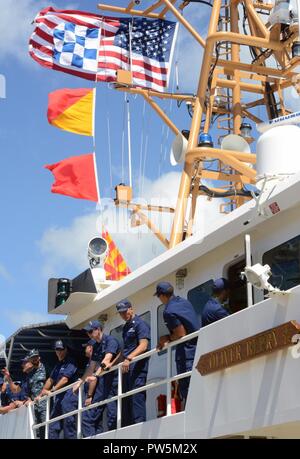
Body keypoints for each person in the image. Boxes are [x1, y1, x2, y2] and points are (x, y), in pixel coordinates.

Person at [73, 321, 121, 437]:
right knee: (88, 416)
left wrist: (95, 375)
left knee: (113, 416)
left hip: (113, 383)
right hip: (102, 384)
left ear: (98, 329)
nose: (89, 334)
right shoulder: (96, 346)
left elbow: (107, 359)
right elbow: (92, 366)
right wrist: (81, 381)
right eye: (87, 332)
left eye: (91, 331)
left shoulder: (110, 341)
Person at [155, 282, 200, 405]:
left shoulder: (168, 311)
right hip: (198, 348)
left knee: (189, 390)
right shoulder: (184, 302)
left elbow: (181, 334)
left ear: (162, 296)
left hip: (186, 354)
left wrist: (166, 338)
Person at [116, 299, 150, 427]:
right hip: (127, 369)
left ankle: (139, 426)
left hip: (138, 368)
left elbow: (143, 345)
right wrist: (110, 365)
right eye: (121, 313)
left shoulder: (140, 324)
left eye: (125, 312)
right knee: (127, 400)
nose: (124, 315)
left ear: (131, 309)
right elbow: (124, 350)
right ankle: (129, 428)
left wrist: (128, 359)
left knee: (137, 398)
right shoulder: (126, 327)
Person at [37, 340, 78, 439]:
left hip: (69, 397)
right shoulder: (58, 365)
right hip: (59, 399)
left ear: (66, 350)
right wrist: (41, 393)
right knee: (53, 426)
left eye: (61, 349)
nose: (59, 352)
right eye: (57, 349)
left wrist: (52, 391)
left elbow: (65, 379)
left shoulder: (71, 362)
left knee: (68, 425)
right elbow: (50, 380)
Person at [24, 349, 47, 439]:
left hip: (46, 404)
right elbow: (28, 391)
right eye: (31, 359)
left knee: (47, 427)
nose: (34, 360)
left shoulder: (46, 368)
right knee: (37, 431)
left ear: (39, 357)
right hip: (35, 407)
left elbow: (52, 381)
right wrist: (28, 399)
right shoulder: (30, 374)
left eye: (35, 358)